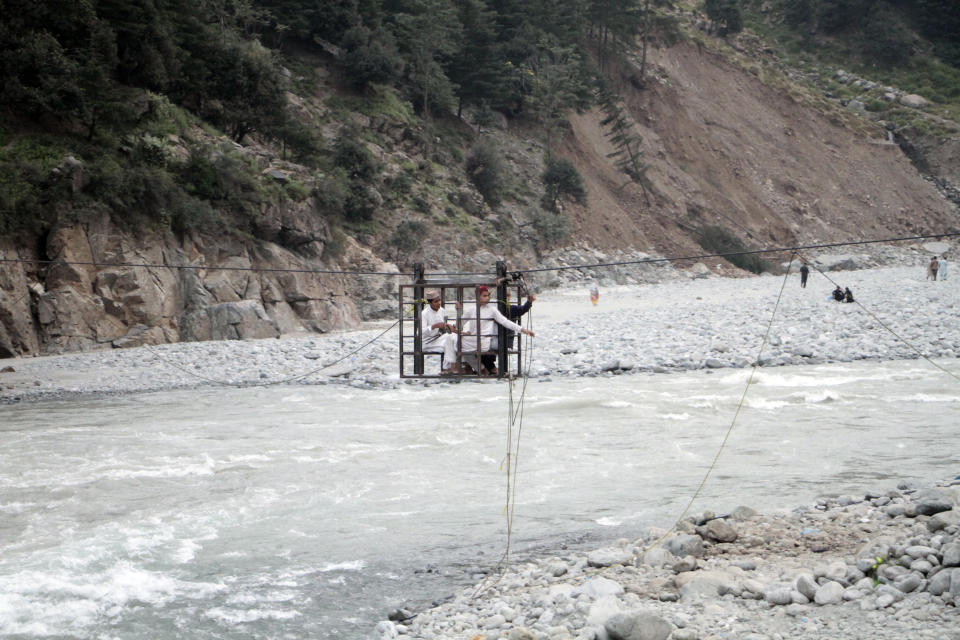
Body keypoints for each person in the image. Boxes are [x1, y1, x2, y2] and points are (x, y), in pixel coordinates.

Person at [459, 286, 535, 375]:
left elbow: (506, 321)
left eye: (488, 296)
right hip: (476, 339)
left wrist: (523, 330)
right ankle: (476, 368)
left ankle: (483, 368)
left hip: (490, 340)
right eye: (484, 296)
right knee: (456, 341)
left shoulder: (495, 309)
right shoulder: (472, 310)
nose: (487, 298)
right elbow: (460, 323)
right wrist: (461, 331)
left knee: (461, 346)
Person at [481, 291, 537, 374]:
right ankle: (490, 369)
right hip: (494, 338)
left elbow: (522, 309)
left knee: (485, 349)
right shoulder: (495, 308)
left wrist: (529, 302)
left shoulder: (510, 309)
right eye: (506, 295)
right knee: (484, 350)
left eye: (508, 295)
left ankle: (491, 369)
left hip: (505, 340)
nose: (507, 297)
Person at [420, 289, 459, 374]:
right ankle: (448, 368)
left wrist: (448, 326)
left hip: (438, 337)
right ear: (430, 303)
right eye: (436, 301)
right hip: (427, 341)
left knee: (454, 337)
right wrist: (435, 326)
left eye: (439, 300)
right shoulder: (424, 313)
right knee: (448, 344)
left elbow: (444, 325)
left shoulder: (442, 310)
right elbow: (421, 332)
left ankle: (454, 367)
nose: (439, 303)